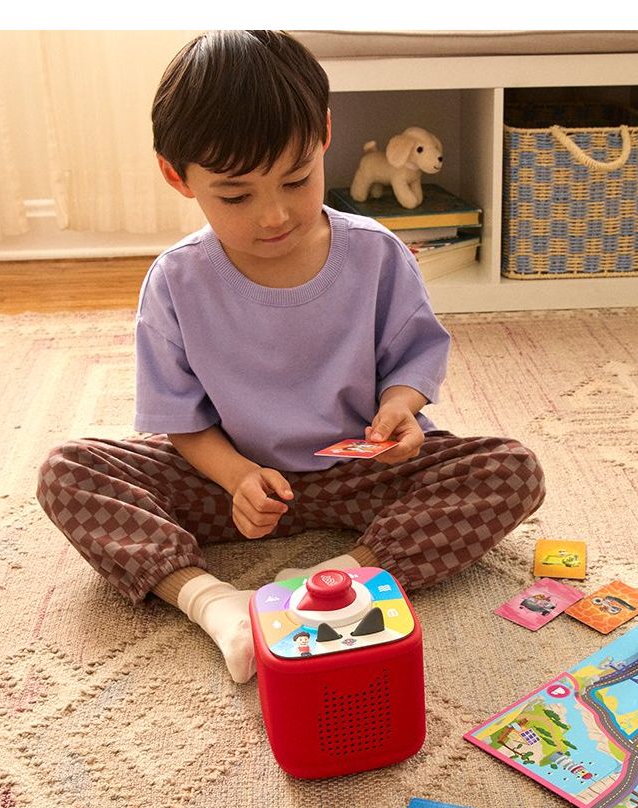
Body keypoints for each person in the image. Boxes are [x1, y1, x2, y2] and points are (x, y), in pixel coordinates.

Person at [37, 30, 545, 683]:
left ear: (325, 134)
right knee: (68, 472)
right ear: (177, 176)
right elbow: (180, 420)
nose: (274, 215)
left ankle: (343, 578)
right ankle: (211, 601)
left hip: (360, 471)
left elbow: (413, 360)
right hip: (229, 480)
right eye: (236, 196)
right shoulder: (176, 281)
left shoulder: (376, 254)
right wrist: (236, 478)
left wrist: (401, 409)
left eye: (296, 180)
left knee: (511, 469)